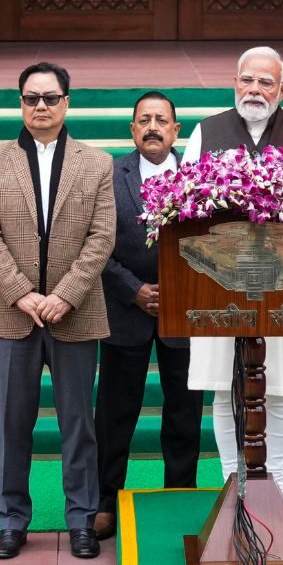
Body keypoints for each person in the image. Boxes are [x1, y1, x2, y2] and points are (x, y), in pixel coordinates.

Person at [0, 62, 117, 560]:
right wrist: (22, 293)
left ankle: (81, 519)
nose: (41, 107)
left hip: (74, 312)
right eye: (31, 98)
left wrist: (65, 294)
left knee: (79, 423)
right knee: (13, 423)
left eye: (50, 98)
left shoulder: (97, 163)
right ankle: (12, 520)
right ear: (20, 104)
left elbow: (101, 238)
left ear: (67, 102)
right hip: (11, 313)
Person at [181, 46, 283, 525]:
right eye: (248, 80)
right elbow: (182, 204)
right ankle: (234, 493)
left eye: (267, 83)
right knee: (226, 391)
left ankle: (280, 498)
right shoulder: (208, 130)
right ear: (234, 83)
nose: (255, 90)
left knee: (281, 392)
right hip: (219, 286)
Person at [93, 92, 204, 540]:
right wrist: (133, 290)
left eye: (162, 120)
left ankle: (180, 493)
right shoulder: (109, 175)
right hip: (125, 308)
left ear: (176, 130)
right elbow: (94, 243)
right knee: (115, 412)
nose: (153, 127)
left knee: (184, 411)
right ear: (132, 129)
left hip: (186, 309)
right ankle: (104, 498)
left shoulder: (199, 176)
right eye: (144, 120)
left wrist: (179, 289)